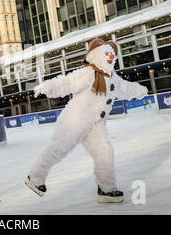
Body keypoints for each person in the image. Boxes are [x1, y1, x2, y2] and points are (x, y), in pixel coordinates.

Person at [25, 38, 148, 203]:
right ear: (97, 55)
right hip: (74, 120)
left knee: (104, 151)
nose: (110, 57)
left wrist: (139, 90)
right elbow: (66, 83)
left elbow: (125, 88)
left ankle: (106, 189)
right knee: (58, 149)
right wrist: (47, 86)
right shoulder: (88, 73)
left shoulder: (112, 77)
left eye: (112, 54)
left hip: (94, 122)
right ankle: (35, 177)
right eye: (106, 54)